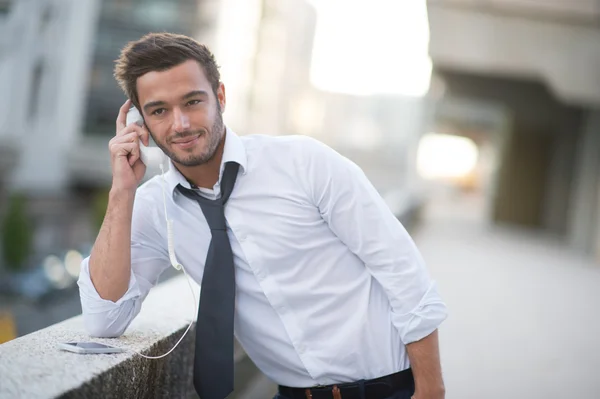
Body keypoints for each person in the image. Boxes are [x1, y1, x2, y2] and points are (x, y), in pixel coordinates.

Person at [77, 32, 448, 399]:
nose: (181, 125)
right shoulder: (155, 207)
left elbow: (401, 269)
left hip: (390, 387)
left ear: (220, 96)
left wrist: (430, 389)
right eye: (159, 110)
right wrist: (121, 191)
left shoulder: (304, 163)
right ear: (139, 122)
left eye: (192, 102)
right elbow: (103, 320)